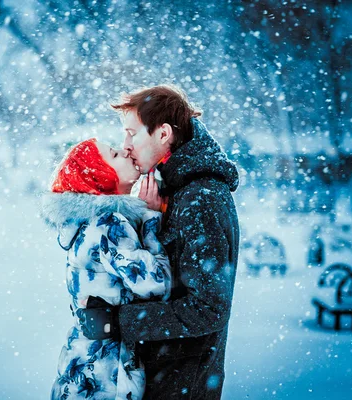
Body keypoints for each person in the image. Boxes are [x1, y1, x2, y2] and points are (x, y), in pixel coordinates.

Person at [78, 85, 240, 399]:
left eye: (131, 134)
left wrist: (118, 321)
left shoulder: (202, 198)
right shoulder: (177, 186)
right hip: (165, 372)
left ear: (163, 133)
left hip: (180, 382)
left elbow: (209, 309)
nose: (125, 147)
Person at [42, 138, 172, 399]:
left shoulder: (85, 222)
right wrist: (150, 219)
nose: (125, 150)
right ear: (101, 176)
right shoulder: (108, 224)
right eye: (114, 154)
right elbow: (158, 283)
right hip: (105, 375)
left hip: (82, 364)